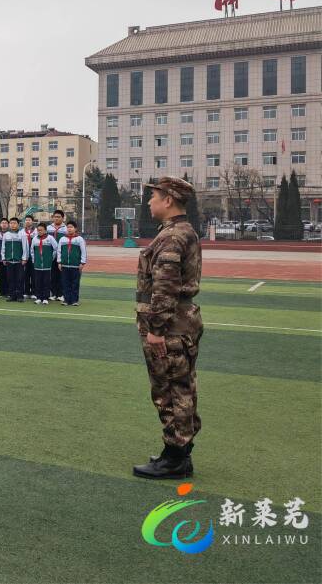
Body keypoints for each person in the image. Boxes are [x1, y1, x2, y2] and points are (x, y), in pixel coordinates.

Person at [132, 177, 203, 480]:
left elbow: (165, 286)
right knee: (180, 386)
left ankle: (175, 457)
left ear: (169, 200)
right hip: (180, 322)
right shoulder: (178, 232)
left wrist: (156, 329)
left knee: (171, 389)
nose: (149, 202)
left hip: (170, 326)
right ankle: (177, 453)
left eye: (154, 196)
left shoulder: (173, 236)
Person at [58, 221, 87, 306]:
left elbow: (83, 251)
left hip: (76, 265)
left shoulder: (80, 239)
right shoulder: (62, 239)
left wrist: (82, 263)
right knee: (65, 283)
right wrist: (59, 262)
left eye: (71, 227)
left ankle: (74, 300)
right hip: (64, 265)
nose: (69, 229)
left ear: (75, 229)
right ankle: (66, 300)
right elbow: (59, 251)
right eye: (68, 227)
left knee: (75, 283)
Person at [30, 222, 59, 305]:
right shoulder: (35, 239)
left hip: (47, 264)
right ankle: (39, 297)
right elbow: (32, 251)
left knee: (46, 281)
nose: (39, 231)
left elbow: (56, 249)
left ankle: (45, 297)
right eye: (38, 230)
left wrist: (51, 259)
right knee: (38, 281)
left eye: (41, 230)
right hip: (37, 264)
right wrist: (34, 260)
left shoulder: (50, 238)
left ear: (45, 230)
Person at [1, 217, 28, 302]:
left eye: (14, 223)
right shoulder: (6, 235)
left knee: (19, 279)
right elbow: (3, 247)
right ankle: (12, 295)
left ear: (18, 224)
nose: (13, 225)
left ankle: (20, 296)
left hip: (19, 261)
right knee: (10, 279)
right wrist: (4, 258)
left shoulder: (22, 234)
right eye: (11, 223)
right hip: (9, 261)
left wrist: (24, 258)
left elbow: (25, 247)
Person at [47, 210, 68, 301]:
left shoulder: (66, 229)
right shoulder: (48, 228)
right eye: (55, 216)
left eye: (59, 217)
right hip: (50, 254)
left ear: (63, 218)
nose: (56, 218)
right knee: (52, 275)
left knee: (61, 275)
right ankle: (54, 293)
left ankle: (61, 294)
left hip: (62, 255)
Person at [22, 215, 36, 299]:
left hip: (34, 257)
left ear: (32, 221)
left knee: (34, 275)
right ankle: (26, 292)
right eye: (26, 220)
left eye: (29, 220)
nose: (27, 221)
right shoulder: (21, 232)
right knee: (25, 275)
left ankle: (34, 292)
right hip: (25, 257)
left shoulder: (37, 231)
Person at [0, 218, 10, 295]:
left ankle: (8, 291)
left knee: (8, 276)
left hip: (8, 258)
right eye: (2, 223)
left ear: (8, 225)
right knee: (1, 276)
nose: (4, 224)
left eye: (5, 223)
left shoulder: (9, 233)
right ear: (0, 224)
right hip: (0, 259)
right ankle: (2, 292)